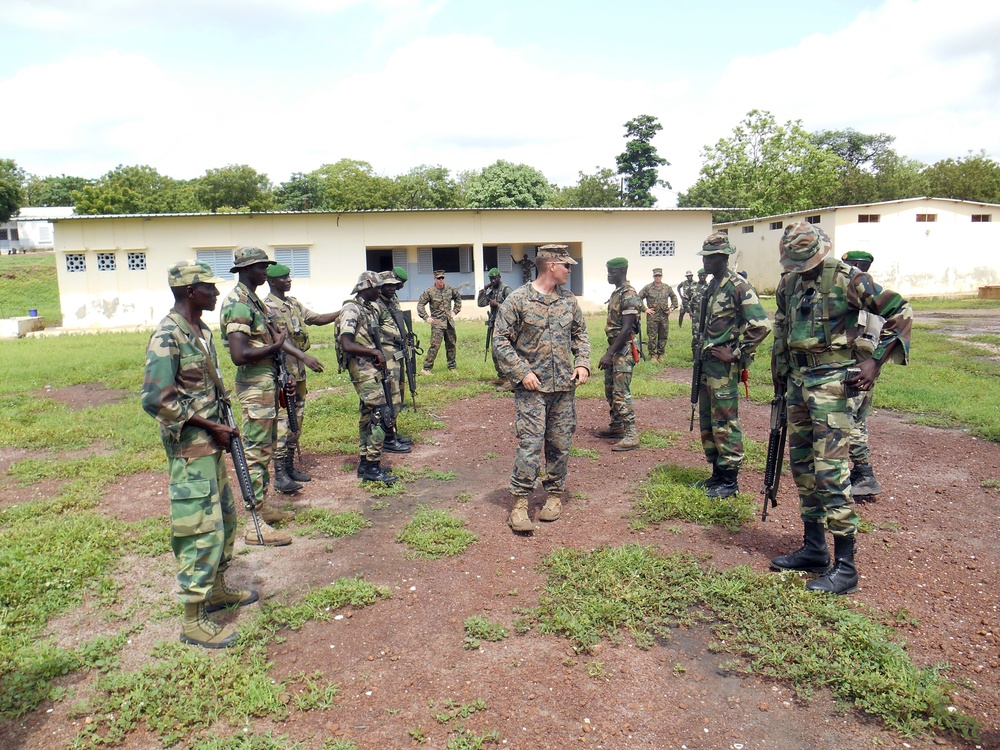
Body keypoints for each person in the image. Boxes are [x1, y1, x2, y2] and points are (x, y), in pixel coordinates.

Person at [770, 222, 911, 595]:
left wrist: (875, 362)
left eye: (806, 263)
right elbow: (783, 328)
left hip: (834, 384)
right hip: (799, 384)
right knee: (802, 468)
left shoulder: (849, 279)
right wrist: (780, 376)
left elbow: (901, 311)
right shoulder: (789, 283)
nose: (801, 269)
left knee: (830, 472)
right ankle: (814, 548)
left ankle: (845, 567)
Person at [141, 260, 259, 649]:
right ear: (190, 292)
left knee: (224, 520)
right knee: (199, 531)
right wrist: (210, 427)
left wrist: (220, 426)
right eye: (208, 287)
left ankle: (217, 590)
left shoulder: (200, 330)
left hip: (212, 446)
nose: (215, 293)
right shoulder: (168, 336)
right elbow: (156, 400)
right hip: (192, 451)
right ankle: (193, 619)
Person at [493, 245, 590, 531]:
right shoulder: (518, 300)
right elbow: (500, 341)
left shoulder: (569, 301)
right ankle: (520, 503)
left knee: (560, 444)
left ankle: (554, 497)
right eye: (566, 266)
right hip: (532, 390)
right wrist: (522, 372)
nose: (569, 270)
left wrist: (582, 362)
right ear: (551, 266)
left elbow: (581, 334)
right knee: (530, 445)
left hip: (563, 387)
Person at [219, 247, 305, 546]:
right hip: (254, 388)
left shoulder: (255, 302)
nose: (265, 272)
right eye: (260, 267)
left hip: (268, 384)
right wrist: (276, 346)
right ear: (245, 269)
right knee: (255, 452)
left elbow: (271, 342)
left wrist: (286, 375)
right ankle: (254, 524)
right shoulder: (239, 303)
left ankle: (262, 505)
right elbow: (239, 354)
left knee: (266, 448)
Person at [692, 233, 772, 498]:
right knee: (708, 420)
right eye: (704, 257)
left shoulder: (738, 286)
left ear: (723, 257)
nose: (706, 263)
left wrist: (736, 353)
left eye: (710, 258)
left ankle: (730, 480)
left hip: (724, 370)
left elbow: (761, 326)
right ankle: (716, 474)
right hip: (707, 366)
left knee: (725, 421)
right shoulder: (712, 286)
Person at [264, 264, 338, 492]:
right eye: (284, 278)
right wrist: (304, 356)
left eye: (289, 276)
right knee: (284, 422)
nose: (289, 280)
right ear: (272, 281)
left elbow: (316, 318)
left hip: (299, 374)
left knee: (297, 421)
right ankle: (279, 475)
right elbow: (277, 339)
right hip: (282, 375)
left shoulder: (293, 303)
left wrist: (342, 311)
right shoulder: (266, 308)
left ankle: (289, 466)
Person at [339, 271, 400, 485]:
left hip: (371, 369)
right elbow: (346, 343)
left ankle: (365, 464)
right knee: (381, 413)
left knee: (367, 417)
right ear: (366, 287)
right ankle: (373, 466)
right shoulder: (351, 309)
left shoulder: (368, 308)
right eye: (377, 288)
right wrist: (374, 353)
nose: (380, 291)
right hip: (362, 369)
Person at [840, 250, 884, 500]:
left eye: (847, 265)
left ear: (856, 266)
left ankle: (864, 475)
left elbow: (865, 342)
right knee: (859, 420)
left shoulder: (861, 294)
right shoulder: (872, 292)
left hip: (857, 367)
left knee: (851, 421)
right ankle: (861, 474)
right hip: (866, 368)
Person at [597, 257, 641, 451]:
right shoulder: (617, 293)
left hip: (623, 349)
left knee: (621, 392)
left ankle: (631, 434)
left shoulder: (629, 294)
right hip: (615, 348)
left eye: (612, 272)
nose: (608, 275)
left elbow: (626, 329)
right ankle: (616, 426)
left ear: (622, 272)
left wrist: (609, 354)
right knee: (610, 388)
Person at [376, 268, 414, 453]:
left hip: (397, 351)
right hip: (386, 352)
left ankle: (393, 430)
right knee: (390, 395)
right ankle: (387, 438)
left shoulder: (392, 301)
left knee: (399, 392)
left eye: (394, 285)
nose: (393, 288)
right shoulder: (376, 304)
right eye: (388, 285)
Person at [418, 270, 462, 374]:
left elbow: (458, 299)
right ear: (435, 279)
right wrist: (426, 317)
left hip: (449, 323)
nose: (440, 280)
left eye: (442, 278)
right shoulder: (430, 291)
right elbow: (420, 305)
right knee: (435, 346)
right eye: (438, 278)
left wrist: (455, 311)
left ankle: (452, 367)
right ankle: (426, 368)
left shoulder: (450, 289)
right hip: (437, 323)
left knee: (451, 345)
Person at [477, 267, 513, 385]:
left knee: (504, 352)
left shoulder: (506, 290)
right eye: (491, 279)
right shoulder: (492, 290)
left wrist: (497, 304)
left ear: (499, 277)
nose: (493, 281)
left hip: (506, 326)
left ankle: (509, 378)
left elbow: (513, 308)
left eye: (495, 278)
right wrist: (484, 290)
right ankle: (502, 377)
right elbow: (481, 303)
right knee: (494, 353)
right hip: (494, 325)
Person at [638, 267, 679, 362]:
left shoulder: (666, 287)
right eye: (656, 276)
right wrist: (645, 309)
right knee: (652, 336)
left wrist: (672, 308)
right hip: (653, 316)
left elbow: (674, 297)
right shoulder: (648, 288)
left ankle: (661, 354)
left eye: (659, 275)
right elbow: (638, 298)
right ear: (653, 276)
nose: (657, 277)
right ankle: (653, 355)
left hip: (664, 315)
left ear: (661, 276)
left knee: (663, 335)